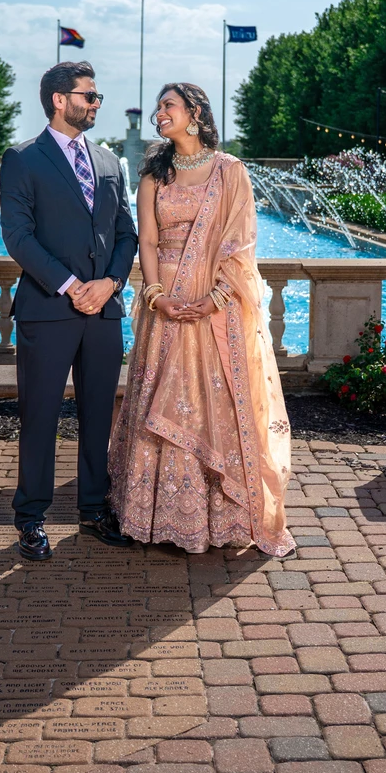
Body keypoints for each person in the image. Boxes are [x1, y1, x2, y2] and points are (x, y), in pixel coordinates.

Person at [109, 83, 294, 557]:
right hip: (165, 304)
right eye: (157, 107)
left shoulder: (229, 171)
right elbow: (146, 241)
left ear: (194, 113)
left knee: (212, 398)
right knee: (158, 395)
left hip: (216, 305)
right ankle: (151, 514)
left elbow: (241, 242)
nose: (159, 113)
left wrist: (216, 297)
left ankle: (221, 514)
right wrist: (154, 296)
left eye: (167, 106)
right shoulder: (154, 173)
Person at [0, 61, 138, 560]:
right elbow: (18, 236)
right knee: (39, 417)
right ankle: (31, 517)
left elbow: (128, 233)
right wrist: (71, 284)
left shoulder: (108, 162)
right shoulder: (22, 159)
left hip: (104, 312)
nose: (96, 103)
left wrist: (109, 284)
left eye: (97, 97)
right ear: (60, 99)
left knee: (99, 417)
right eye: (90, 96)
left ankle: (94, 510)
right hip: (47, 310)